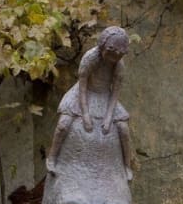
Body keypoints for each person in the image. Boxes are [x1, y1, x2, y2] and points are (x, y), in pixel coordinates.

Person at [46, 26, 133, 181]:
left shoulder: (119, 65)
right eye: (111, 54)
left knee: (124, 130)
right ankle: (52, 157)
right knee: (63, 125)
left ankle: (127, 166)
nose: (113, 59)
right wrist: (85, 114)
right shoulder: (91, 58)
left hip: (105, 96)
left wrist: (109, 117)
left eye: (118, 56)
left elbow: (115, 92)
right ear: (103, 46)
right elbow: (82, 84)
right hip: (83, 93)